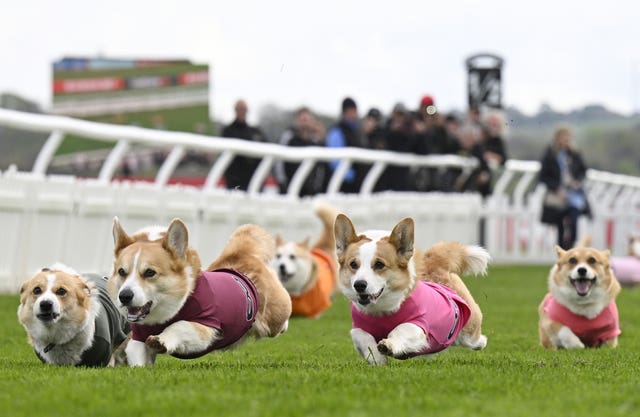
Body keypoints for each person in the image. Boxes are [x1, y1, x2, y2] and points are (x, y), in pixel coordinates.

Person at [539, 125, 591, 249]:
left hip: (574, 194)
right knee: (560, 225)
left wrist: (577, 181)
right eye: (563, 137)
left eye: (568, 137)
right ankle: (562, 253)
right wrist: (556, 188)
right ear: (557, 138)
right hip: (558, 195)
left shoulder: (574, 153)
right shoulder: (550, 154)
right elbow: (543, 176)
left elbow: (583, 171)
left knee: (574, 221)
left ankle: (571, 249)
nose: (566, 139)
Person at [276, 107, 327, 196]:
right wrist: (283, 184)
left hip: (310, 193)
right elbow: (278, 162)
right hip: (289, 191)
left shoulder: (316, 142)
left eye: (307, 120)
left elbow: (320, 168)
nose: (304, 123)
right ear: (296, 121)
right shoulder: (288, 138)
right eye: (302, 120)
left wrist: (316, 188)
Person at [221, 99, 268, 191]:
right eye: (240, 109)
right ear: (235, 110)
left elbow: (266, 151)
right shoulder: (228, 131)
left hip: (254, 180)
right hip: (235, 181)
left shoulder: (255, 132)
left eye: (244, 109)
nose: (242, 112)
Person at [325, 97, 368, 193]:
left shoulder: (358, 131)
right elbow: (334, 159)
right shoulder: (336, 131)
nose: (353, 114)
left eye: (354, 111)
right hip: (343, 185)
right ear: (344, 112)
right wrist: (350, 177)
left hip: (358, 185)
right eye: (350, 111)